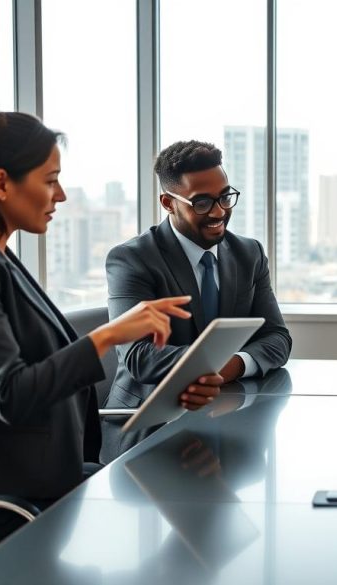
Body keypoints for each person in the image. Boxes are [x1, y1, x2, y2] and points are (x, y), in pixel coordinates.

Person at [0, 81, 211, 564]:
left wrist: (168, 391)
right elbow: (11, 395)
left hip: (42, 481)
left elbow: (44, 378)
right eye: (50, 179)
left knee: (188, 515)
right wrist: (111, 335)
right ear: (1, 184)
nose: (62, 194)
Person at [101, 140, 292, 463]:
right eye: (201, 202)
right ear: (168, 202)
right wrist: (214, 366)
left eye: (225, 197)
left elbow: (277, 339)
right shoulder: (133, 259)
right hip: (146, 436)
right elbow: (138, 355)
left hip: (228, 427)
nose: (219, 211)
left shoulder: (249, 254)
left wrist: (232, 367)